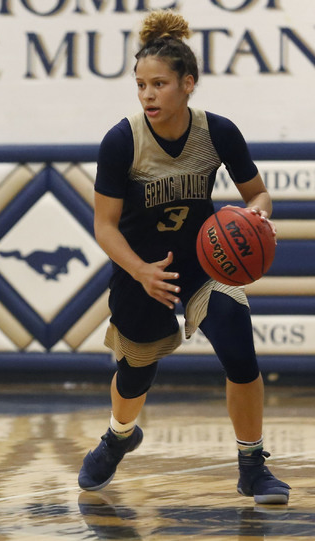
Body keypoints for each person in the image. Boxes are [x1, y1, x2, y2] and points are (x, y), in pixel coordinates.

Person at [78, 10, 290, 505]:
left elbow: (258, 195)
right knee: (135, 374)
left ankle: (252, 466)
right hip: (141, 267)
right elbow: (104, 226)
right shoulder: (122, 140)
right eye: (140, 85)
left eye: (159, 84)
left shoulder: (217, 132)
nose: (148, 95)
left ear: (187, 84)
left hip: (204, 262)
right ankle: (118, 436)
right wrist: (140, 271)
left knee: (240, 347)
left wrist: (256, 217)